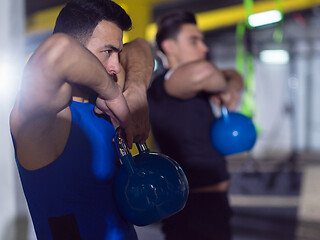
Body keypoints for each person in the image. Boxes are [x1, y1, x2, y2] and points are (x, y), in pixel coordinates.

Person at [9, 0, 154, 239]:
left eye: (117, 53)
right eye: (107, 52)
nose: (115, 66)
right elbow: (59, 48)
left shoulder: (101, 101)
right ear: (78, 48)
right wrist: (115, 95)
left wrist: (137, 91)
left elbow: (140, 47)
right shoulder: (46, 114)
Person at [147, 11, 244, 240]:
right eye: (194, 41)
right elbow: (206, 71)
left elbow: (234, 75)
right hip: (192, 212)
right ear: (170, 46)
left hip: (213, 207)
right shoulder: (166, 82)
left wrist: (228, 85)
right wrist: (223, 89)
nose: (204, 48)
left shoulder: (195, 83)